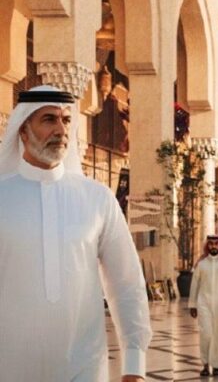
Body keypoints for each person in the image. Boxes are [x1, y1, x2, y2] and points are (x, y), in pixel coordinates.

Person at [0, 85, 152, 381]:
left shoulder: (98, 199)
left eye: (66, 120)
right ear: (23, 130)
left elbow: (126, 282)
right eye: (48, 119)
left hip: (83, 366)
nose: (60, 130)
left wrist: (135, 362)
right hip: (10, 366)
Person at [189, 235, 218, 377]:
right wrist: (192, 304)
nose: (213, 246)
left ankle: (216, 365)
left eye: (216, 244)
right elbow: (195, 284)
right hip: (204, 304)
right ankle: (205, 364)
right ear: (207, 246)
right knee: (206, 334)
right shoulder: (201, 264)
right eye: (211, 244)